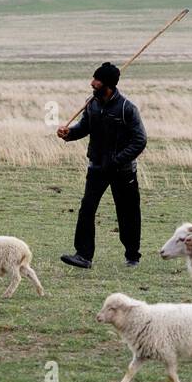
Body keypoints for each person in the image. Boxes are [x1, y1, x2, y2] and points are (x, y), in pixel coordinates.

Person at [56, 61, 147, 269]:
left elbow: (140, 140)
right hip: (96, 167)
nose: (92, 83)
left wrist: (117, 160)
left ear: (108, 84)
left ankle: (132, 255)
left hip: (122, 171)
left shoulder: (127, 108)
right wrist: (68, 134)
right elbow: (83, 127)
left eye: (96, 80)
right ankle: (83, 256)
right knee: (86, 209)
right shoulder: (92, 103)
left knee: (127, 213)